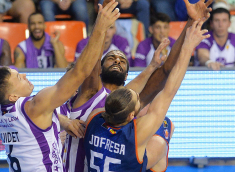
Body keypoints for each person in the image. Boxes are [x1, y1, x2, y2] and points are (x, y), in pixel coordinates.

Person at [62, 0, 215, 172]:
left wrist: (190, 23)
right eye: (111, 57)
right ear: (100, 67)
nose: (117, 59)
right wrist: (108, 1)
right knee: (162, 134)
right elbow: (91, 60)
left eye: (122, 60)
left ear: (126, 77)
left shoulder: (121, 102)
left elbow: (167, 71)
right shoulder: (91, 92)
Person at [0, 0, 121, 171]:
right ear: (13, 96)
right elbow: (80, 72)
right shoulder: (35, 105)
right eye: (19, 77)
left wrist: (63, 121)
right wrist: (100, 28)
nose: (25, 74)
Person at [83, 19, 208, 171]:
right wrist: (188, 47)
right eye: (138, 100)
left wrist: (151, 67)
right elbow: (169, 91)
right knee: (165, 129)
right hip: (132, 154)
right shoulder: (137, 136)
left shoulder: (93, 117)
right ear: (131, 117)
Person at [195, 8, 235, 156]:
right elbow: (202, 56)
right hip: (206, 86)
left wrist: (225, 78)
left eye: (224, 21)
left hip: (228, 85)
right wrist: (209, 62)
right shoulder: (205, 38)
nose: (220, 24)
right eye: (217, 21)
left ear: (229, 23)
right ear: (212, 24)